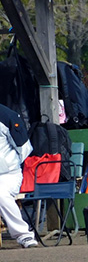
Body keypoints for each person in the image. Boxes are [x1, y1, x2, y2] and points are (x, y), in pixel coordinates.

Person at [0, 103, 38, 248]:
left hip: (7, 175)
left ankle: (23, 235)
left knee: (1, 194)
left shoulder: (6, 116)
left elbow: (24, 148)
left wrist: (7, 164)